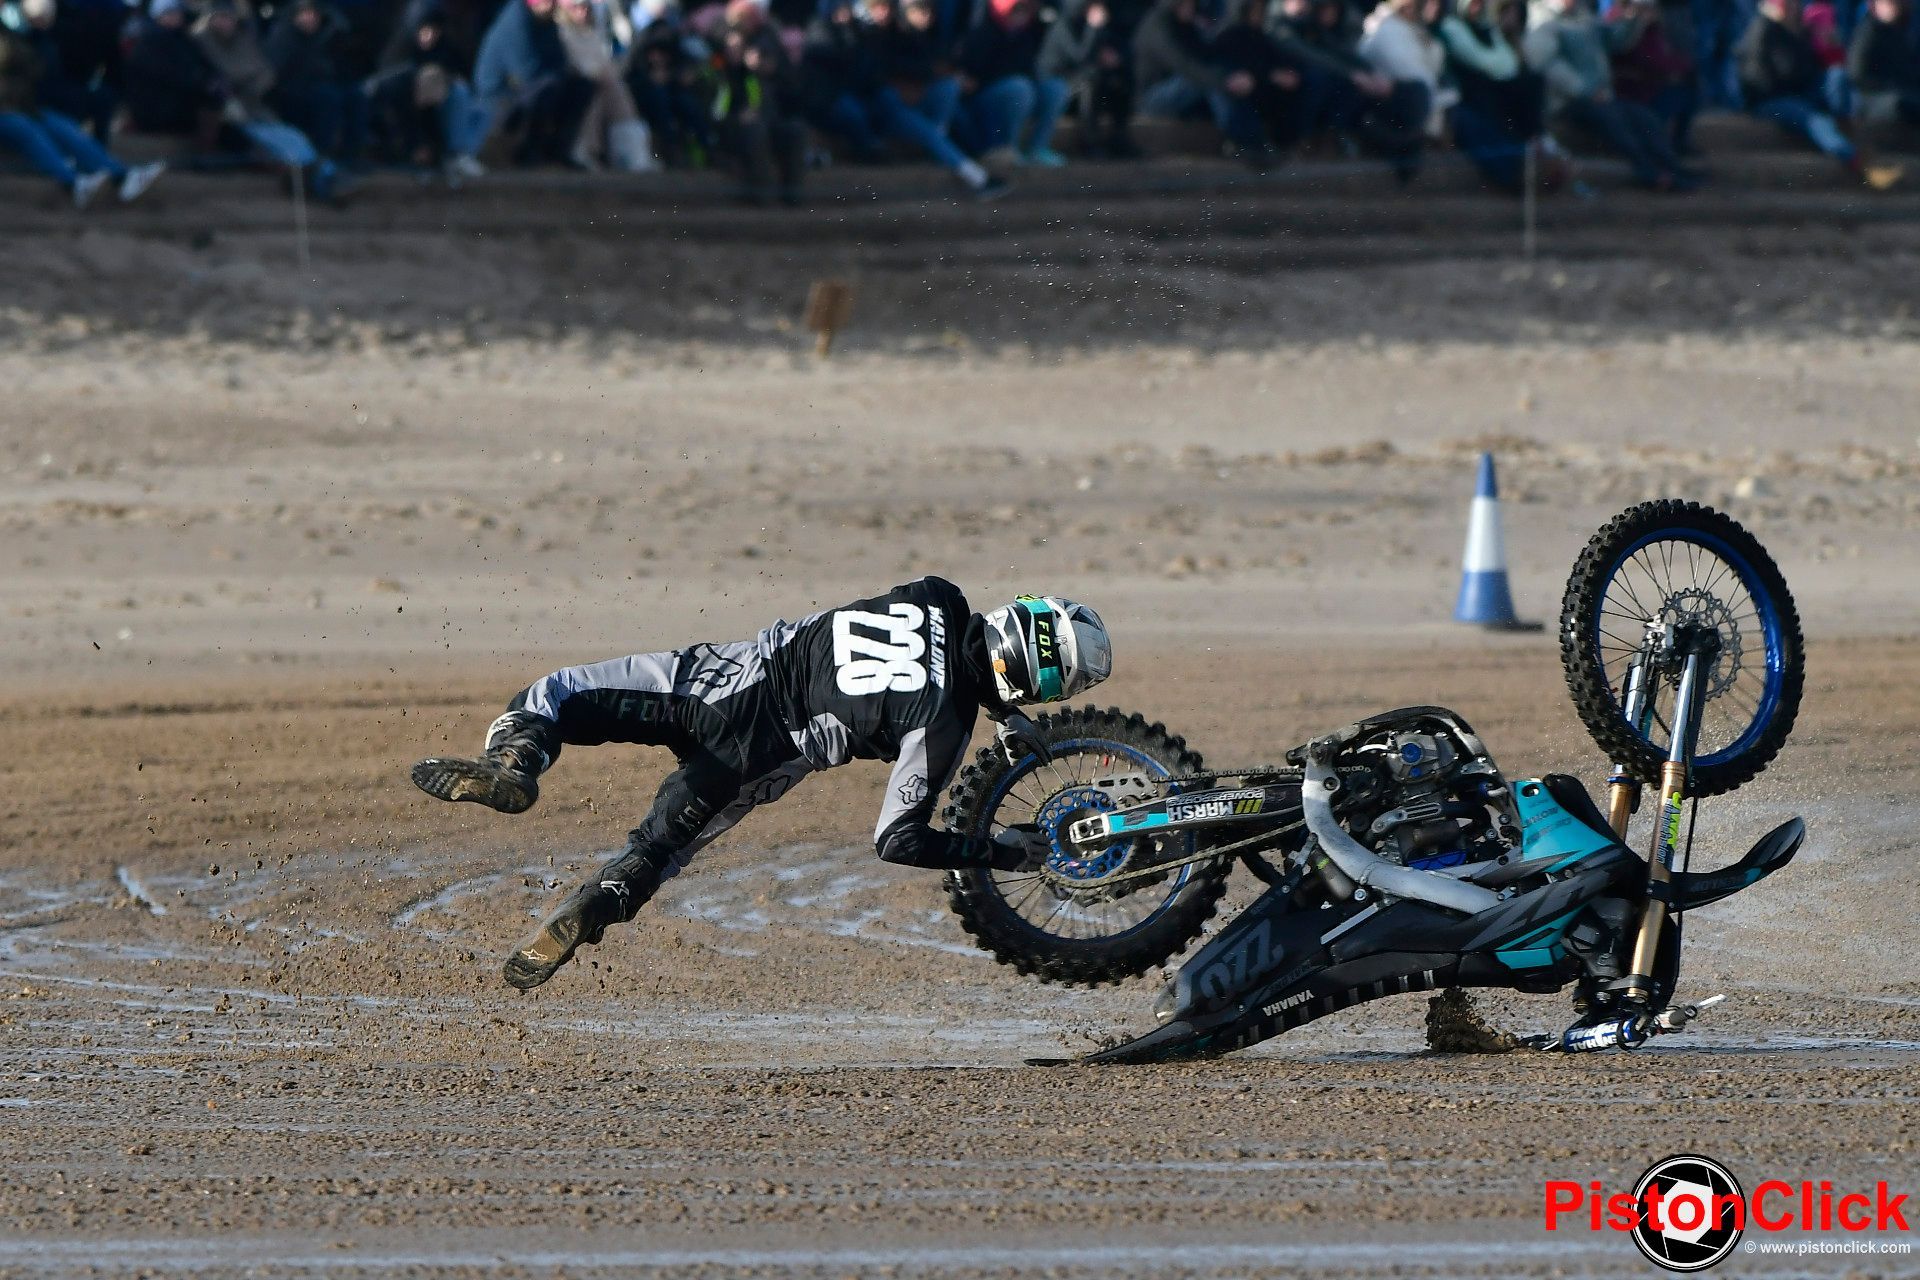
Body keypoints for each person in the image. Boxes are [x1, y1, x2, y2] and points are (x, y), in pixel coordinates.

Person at [410, 582, 1113, 992]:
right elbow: (897, 839)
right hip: (758, 757)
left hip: (723, 680)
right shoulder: (943, 727)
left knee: (556, 692)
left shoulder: (938, 594)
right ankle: (592, 907)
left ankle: (517, 763)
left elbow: (945, 658)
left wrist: (997, 708)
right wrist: (1009, 853)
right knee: (661, 850)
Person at [1524, 0, 1696, 188]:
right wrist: (1584, 90)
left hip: (1600, 97)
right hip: (1568, 101)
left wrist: (1632, 19)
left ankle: (1673, 168)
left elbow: (1615, 41)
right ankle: (1650, 173)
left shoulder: (1584, 17)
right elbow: (1546, 65)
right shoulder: (1543, 22)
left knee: (1645, 118)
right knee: (1616, 122)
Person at [192, 0, 351, 198]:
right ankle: (317, 182)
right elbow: (222, 77)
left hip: (255, 106)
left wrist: (248, 84)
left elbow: (264, 74)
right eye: (221, 17)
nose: (226, 22)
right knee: (279, 146)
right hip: (226, 114)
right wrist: (241, 83)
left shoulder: (243, 41)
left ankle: (328, 176)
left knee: (295, 137)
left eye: (229, 17)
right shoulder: (200, 42)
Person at [1, 15, 164, 205]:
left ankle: (121, 176)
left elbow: (31, 67)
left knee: (58, 124)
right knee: (24, 128)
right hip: (10, 113)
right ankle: (72, 183)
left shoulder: (9, 33)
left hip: (18, 107)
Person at [1737, 0, 1901, 184]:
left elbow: (1820, 67)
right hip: (1773, 98)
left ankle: (1845, 126)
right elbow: (1757, 77)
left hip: (1802, 92)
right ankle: (1856, 160)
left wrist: (1829, 46)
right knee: (1816, 120)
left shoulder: (1801, 30)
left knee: (1836, 77)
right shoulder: (1763, 31)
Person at [873, 0, 1011, 196]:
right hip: (891, 111)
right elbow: (890, 73)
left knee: (950, 91)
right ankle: (979, 179)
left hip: (919, 106)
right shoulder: (887, 37)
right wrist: (931, 74)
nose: (926, 16)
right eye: (919, 11)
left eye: (928, 10)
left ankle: (966, 147)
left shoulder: (928, 38)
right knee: (931, 131)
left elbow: (941, 70)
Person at [1133, 0, 1274, 163]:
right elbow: (1185, 65)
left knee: (1220, 74)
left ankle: (1251, 140)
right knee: (1206, 80)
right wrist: (1226, 81)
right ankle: (1243, 140)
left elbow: (1206, 56)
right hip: (1153, 98)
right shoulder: (1159, 26)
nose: (1190, 9)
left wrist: (1233, 75)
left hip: (1183, 94)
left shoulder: (1186, 24)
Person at [366, 2, 490, 179]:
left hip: (433, 105)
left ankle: (460, 155)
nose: (429, 36)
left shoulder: (445, 49)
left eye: (433, 31)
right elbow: (403, 111)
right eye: (425, 31)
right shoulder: (402, 57)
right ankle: (454, 155)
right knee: (457, 95)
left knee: (478, 108)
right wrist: (416, 145)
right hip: (401, 111)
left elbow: (461, 74)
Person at [1437, 0, 1553, 187]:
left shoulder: (1487, 29)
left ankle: (1538, 143)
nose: (1477, 7)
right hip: (1469, 95)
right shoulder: (1452, 27)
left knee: (1532, 82)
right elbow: (1484, 61)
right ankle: (1518, 168)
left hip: (1493, 90)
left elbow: (1509, 64)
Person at [473, 0, 594, 164]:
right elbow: (525, 72)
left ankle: (558, 152)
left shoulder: (546, 21)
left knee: (582, 87)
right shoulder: (515, 22)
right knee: (547, 88)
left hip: (529, 89)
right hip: (498, 99)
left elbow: (560, 62)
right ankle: (528, 152)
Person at [711, 0, 807, 203]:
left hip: (765, 116)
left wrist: (766, 69)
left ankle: (792, 196)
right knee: (755, 131)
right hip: (729, 121)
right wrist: (731, 63)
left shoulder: (764, 40)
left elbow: (790, 82)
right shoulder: (717, 47)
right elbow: (716, 95)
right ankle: (760, 197)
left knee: (795, 131)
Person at [956, 0, 1070, 165]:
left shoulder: (1030, 33)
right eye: (1016, 10)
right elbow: (972, 78)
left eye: (1024, 10)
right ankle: (1008, 148)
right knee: (1019, 88)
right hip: (985, 98)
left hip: (1023, 92)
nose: (1021, 15)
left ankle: (1038, 148)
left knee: (1056, 88)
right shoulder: (983, 33)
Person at [553, 0, 657, 170]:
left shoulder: (590, 32)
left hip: (600, 86)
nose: (582, 12)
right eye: (575, 8)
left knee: (614, 91)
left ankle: (630, 155)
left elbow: (605, 65)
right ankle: (591, 152)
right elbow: (580, 67)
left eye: (585, 7)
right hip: (572, 87)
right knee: (599, 93)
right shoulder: (563, 33)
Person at [264, 0, 369, 167]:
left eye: (314, 15)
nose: (309, 19)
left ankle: (352, 153)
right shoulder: (283, 37)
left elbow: (339, 65)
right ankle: (322, 155)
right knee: (328, 98)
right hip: (293, 92)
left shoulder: (328, 34)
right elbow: (278, 72)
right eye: (304, 14)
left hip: (324, 84)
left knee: (356, 95)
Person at [1038, 0, 1139, 157]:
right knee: (1090, 80)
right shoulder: (1064, 25)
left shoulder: (1098, 23)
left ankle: (1120, 137)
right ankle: (1090, 143)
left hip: (1087, 83)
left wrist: (1116, 57)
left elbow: (1113, 47)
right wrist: (1093, 27)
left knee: (1119, 77)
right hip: (1060, 87)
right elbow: (1080, 57)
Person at [626, 0, 714, 164]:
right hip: (645, 94)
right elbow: (631, 72)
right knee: (660, 101)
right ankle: (670, 148)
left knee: (688, 104)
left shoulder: (673, 38)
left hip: (673, 91)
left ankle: (707, 147)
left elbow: (684, 66)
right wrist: (651, 78)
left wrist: (676, 76)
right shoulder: (644, 39)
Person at [1608, 0, 1698, 152]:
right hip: (1630, 90)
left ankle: (1678, 142)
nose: (1651, 13)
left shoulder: (1652, 30)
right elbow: (1647, 59)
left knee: (1690, 90)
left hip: (1651, 85)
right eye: (1645, 9)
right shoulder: (1621, 27)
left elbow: (1660, 58)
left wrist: (1685, 67)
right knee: (1678, 95)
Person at [1848, 0, 1920, 125]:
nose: (1895, 7)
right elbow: (1858, 74)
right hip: (1874, 98)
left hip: (1903, 92)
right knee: (1899, 103)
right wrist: (1892, 87)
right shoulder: (1869, 32)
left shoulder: (1902, 34)